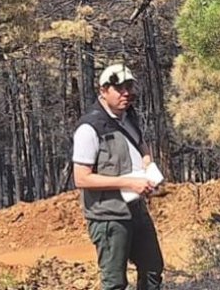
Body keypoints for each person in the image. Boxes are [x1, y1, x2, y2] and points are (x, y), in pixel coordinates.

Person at [72, 62, 164, 290]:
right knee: (115, 282)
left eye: (129, 87)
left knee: (153, 269)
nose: (126, 93)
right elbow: (81, 179)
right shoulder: (89, 128)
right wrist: (128, 182)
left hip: (136, 209)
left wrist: (147, 164)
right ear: (103, 91)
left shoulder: (128, 117)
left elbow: (142, 146)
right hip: (109, 215)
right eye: (119, 88)